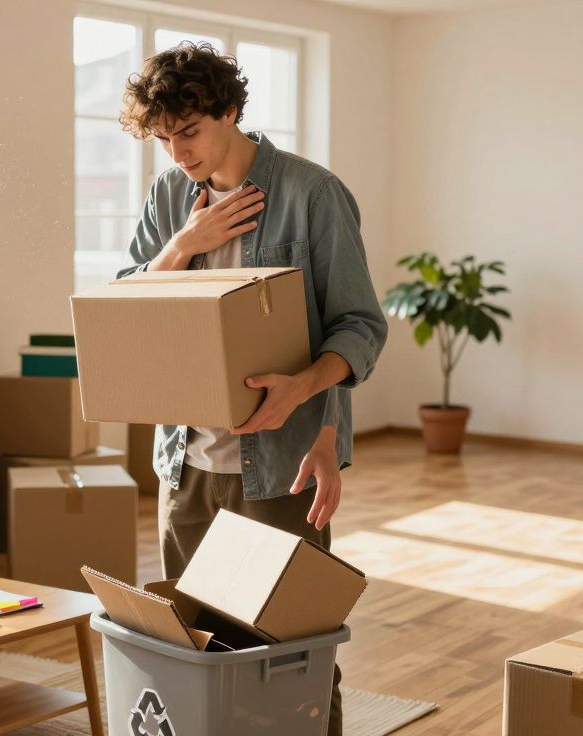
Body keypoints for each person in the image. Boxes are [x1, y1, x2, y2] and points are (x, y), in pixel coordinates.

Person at [116, 42, 388, 736]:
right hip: (187, 463)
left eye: (189, 132)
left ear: (230, 111)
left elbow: (357, 326)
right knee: (196, 641)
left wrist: (311, 404)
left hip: (284, 462)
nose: (177, 153)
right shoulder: (171, 196)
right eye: (162, 138)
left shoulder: (311, 193)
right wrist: (182, 245)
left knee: (291, 647)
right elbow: (127, 306)